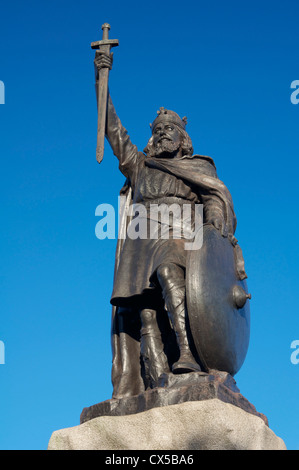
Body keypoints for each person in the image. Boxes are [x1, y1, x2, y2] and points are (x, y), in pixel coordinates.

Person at [94, 51, 244, 398]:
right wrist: (102, 78)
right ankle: (157, 381)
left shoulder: (199, 167)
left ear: (182, 137)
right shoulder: (140, 165)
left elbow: (215, 202)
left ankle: (190, 353)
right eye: (158, 131)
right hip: (140, 243)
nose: (162, 135)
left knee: (169, 273)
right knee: (144, 313)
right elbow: (112, 131)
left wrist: (215, 232)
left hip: (181, 238)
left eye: (169, 130)